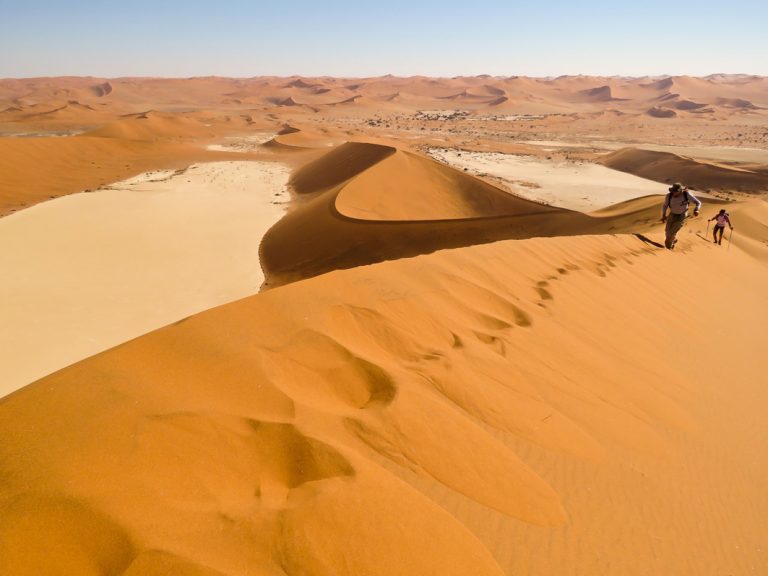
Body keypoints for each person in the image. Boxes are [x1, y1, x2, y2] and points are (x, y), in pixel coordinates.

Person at [661, 182, 701, 249]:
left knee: (672, 232)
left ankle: (669, 248)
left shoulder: (686, 194)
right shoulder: (669, 196)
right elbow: (665, 206)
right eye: (673, 191)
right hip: (672, 213)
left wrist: (696, 209)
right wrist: (663, 215)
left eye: (676, 191)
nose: (674, 193)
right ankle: (674, 240)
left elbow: (698, 202)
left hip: (682, 215)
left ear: (680, 191)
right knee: (667, 231)